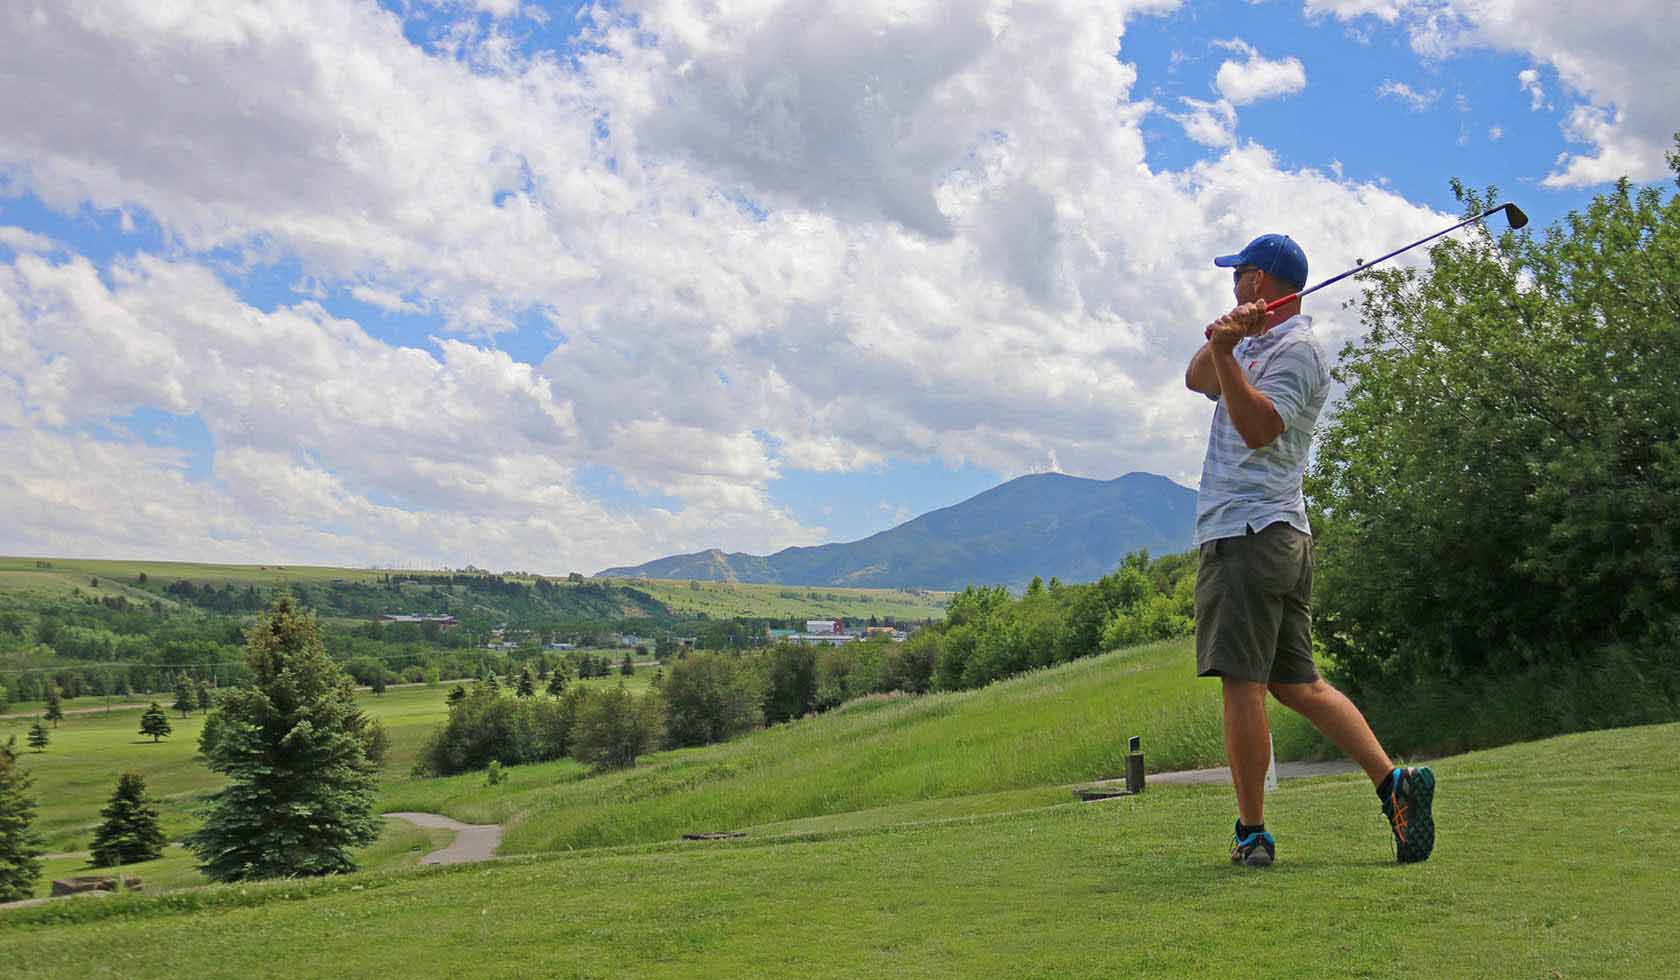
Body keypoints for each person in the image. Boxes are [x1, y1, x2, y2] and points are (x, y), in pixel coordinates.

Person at [1184, 233, 1434, 868]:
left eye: (1239, 274)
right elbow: (1195, 379)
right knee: (1298, 684)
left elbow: (1261, 429)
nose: (1232, 283)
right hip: (1270, 533)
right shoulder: (1252, 342)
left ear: (1260, 282)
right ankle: (1395, 787)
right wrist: (1226, 341)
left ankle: (1252, 833)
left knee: (1241, 684)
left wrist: (1228, 351)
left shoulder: (1299, 351)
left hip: (1251, 533)